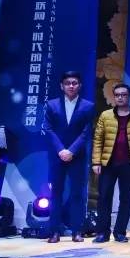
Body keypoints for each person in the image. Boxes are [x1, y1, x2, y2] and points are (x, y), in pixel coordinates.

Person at [43, 71, 94, 243]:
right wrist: (61, 150)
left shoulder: (88, 106)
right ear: (61, 86)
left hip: (77, 156)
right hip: (57, 156)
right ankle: (54, 232)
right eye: (67, 83)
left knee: (77, 194)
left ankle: (77, 231)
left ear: (80, 85)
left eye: (74, 83)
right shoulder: (51, 105)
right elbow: (48, 129)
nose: (71, 86)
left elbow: (86, 132)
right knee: (56, 193)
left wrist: (71, 151)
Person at [91, 83, 130, 243]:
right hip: (108, 163)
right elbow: (98, 139)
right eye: (117, 95)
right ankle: (102, 232)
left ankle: (120, 232)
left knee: (126, 198)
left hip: (129, 164)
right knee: (104, 197)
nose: (120, 98)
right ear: (114, 97)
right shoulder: (105, 115)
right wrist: (96, 162)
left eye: (124, 95)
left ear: (129, 96)